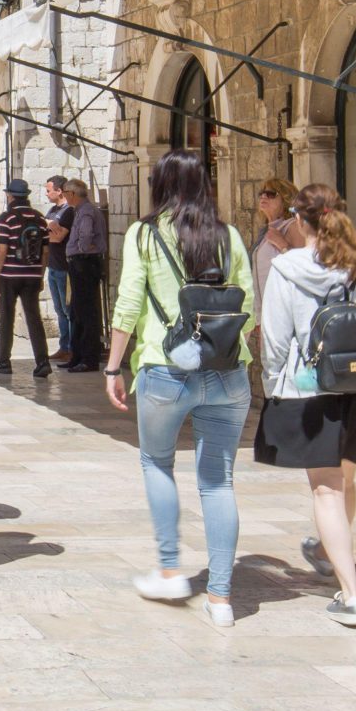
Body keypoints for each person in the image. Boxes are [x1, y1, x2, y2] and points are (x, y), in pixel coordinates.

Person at [104, 148, 255, 629]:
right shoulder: (228, 237)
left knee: (156, 461)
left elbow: (128, 302)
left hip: (164, 367)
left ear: (161, 185)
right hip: (228, 372)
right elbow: (247, 303)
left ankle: (170, 568)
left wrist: (112, 367)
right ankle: (222, 598)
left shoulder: (145, 235)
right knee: (219, 481)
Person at [255, 184, 356, 629]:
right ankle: (324, 548)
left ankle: (351, 594)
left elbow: (277, 338)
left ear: (299, 220)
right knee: (345, 482)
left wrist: (273, 385)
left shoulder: (287, 268)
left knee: (327, 489)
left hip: (311, 390)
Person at [0, 179, 53, 379]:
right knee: (34, 318)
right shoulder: (40, 218)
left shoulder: (6, 218)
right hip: (32, 275)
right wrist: (40, 275)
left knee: (7, 317)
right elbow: (46, 251)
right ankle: (43, 362)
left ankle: (3, 360)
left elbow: (1, 249)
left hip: (10, 275)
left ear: (10, 196)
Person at [62, 181, 108, 372]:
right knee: (77, 311)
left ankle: (89, 358)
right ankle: (78, 355)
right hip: (80, 263)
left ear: (72, 193)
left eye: (65, 192)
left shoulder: (87, 211)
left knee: (86, 311)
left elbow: (86, 234)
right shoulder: (80, 210)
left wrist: (81, 249)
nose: (64, 196)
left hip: (85, 263)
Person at [252, 177, 302, 297]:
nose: (263, 197)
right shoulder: (265, 231)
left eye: (270, 194)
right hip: (265, 309)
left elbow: (304, 266)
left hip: (284, 305)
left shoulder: (293, 226)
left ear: (285, 199)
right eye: (262, 194)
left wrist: (283, 245)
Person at [43, 176, 74, 360]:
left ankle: (71, 346)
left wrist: (48, 231)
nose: (47, 194)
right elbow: (44, 233)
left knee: (67, 309)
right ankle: (64, 346)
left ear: (59, 190)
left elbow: (57, 237)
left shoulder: (68, 211)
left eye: (49, 190)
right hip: (53, 266)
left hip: (64, 266)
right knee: (59, 309)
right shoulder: (52, 211)